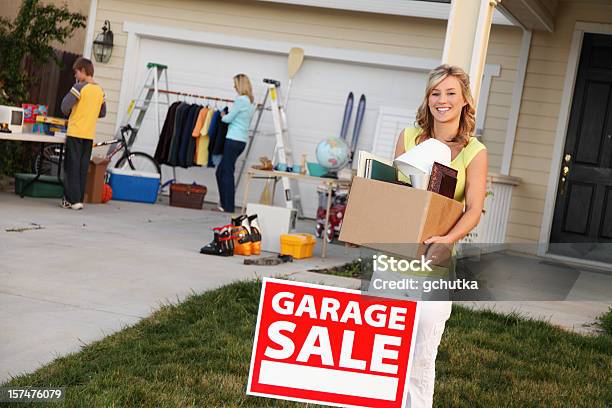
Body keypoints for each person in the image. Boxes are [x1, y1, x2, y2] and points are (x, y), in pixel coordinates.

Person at [394, 64, 488, 407]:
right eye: (436, 93)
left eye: (451, 93)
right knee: (386, 337)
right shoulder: (407, 137)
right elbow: (394, 192)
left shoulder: (474, 151)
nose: (442, 100)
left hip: (437, 258)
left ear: (464, 100)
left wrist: (446, 240)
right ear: (427, 98)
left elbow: (474, 208)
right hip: (397, 253)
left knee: (423, 346)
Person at [60, 57, 106, 210]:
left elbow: (64, 107)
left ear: (83, 71)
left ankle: (73, 201)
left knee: (71, 167)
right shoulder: (100, 90)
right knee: (81, 167)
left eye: (76, 72)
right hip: (89, 135)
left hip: (75, 132)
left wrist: (75, 112)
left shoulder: (78, 88)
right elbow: (103, 112)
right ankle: (77, 199)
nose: (75, 76)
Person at [215, 73, 255, 213]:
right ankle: (224, 204)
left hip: (233, 140)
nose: (234, 87)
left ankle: (228, 207)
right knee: (221, 171)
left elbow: (228, 119)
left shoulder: (241, 100)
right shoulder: (251, 102)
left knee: (226, 173)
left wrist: (222, 115)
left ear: (240, 85)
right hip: (241, 141)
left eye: (235, 84)